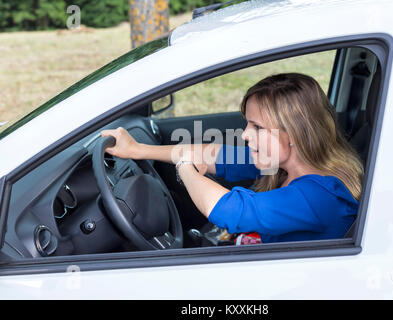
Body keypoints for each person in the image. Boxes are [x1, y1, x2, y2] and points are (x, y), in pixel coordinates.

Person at [101, 73, 364, 244]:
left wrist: (185, 168)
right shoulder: (280, 165)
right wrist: (138, 150)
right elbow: (214, 154)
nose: (246, 135)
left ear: (295, 133)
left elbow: (229, 210)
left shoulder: (320, 196)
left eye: (257, 127)